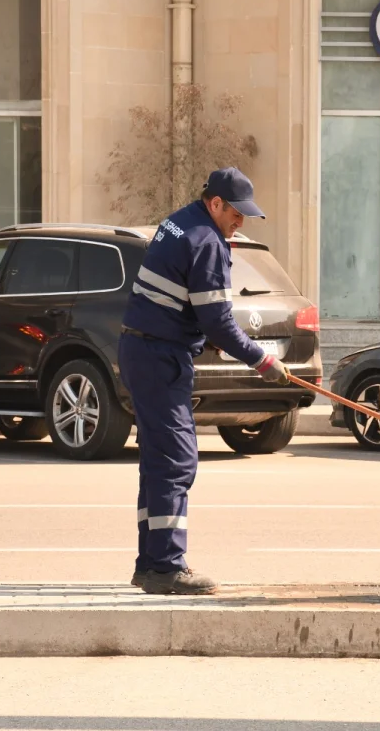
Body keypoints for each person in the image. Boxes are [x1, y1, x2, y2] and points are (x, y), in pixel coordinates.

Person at [118, 167, 290, 595]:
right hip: (160, 357)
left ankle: (150, 564)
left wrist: (199, 332)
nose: (240, 222)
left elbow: (182, 300)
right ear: (215, 203)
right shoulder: (206, 241)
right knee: (177, 461)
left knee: (159, 462)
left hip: (144, 350)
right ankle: (165, 567)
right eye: (236, 213)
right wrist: (261, 360)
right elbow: (218, 322)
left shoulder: (180, 222)